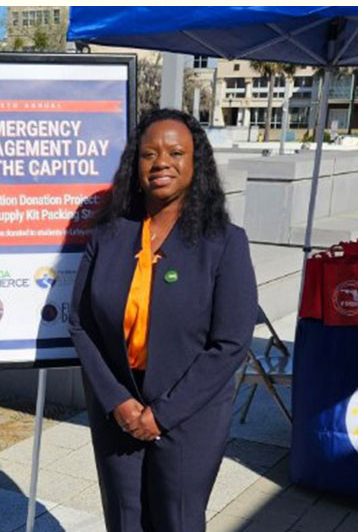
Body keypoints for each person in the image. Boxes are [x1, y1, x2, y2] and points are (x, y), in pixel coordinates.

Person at [64, 108, 255, 532]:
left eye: (175, 152)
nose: (162, 162)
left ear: (195, 162)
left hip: (191, 413)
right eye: (149, 153)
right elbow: (80, 322)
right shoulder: (108, 234)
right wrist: (119, 402)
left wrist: (160, 415)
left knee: (177, 521)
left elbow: (230, 344)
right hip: (118, 409)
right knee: (125, 520)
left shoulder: (224, 242)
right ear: (135, 165)